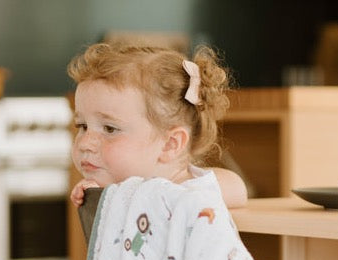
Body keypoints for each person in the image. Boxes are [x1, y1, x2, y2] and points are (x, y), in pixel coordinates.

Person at [67, 41, 248, 210]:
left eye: (109, 129)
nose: (84, 143)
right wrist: (106, 196)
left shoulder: (190, 187)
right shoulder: (117, 187)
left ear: (170, 144)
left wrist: (149, 197)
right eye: (82, 126)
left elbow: (236, 189)